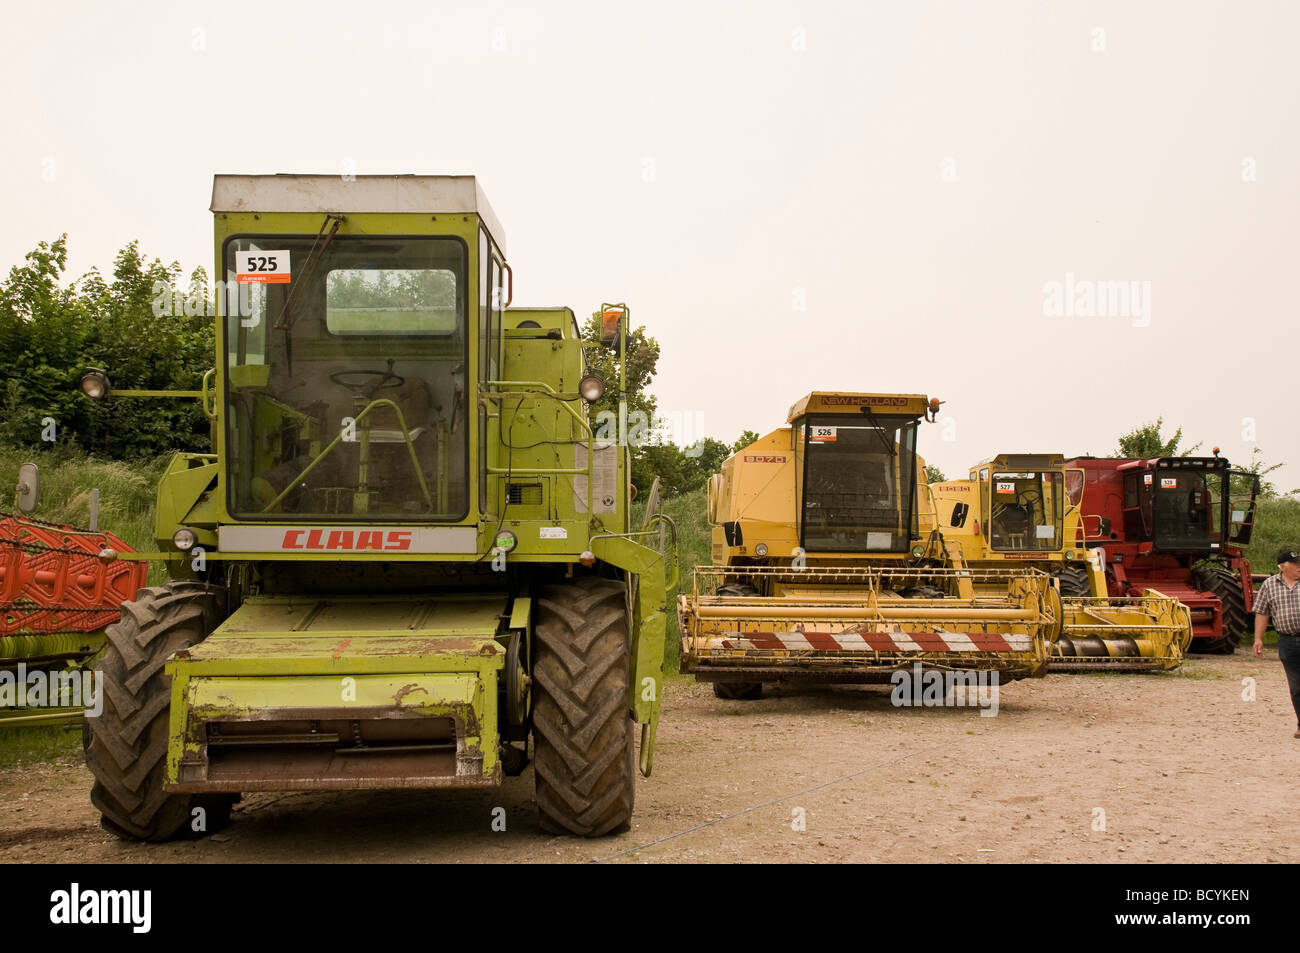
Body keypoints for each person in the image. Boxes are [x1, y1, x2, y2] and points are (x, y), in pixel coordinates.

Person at [1253, 549, 1300, 737]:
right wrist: (1258, 638)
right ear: (1283, 566)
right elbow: (1262, 612)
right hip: (1287, 641)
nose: (1299, 567)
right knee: (1296, 685)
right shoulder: (1269, 586)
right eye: (1295, 564)